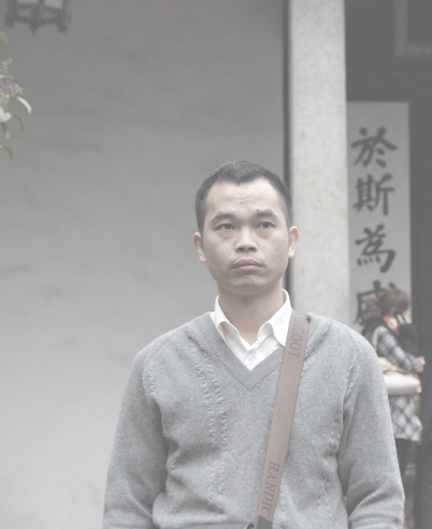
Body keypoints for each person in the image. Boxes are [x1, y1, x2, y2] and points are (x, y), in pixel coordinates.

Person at [102, 160, 404, 529]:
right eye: (226, 226)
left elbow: (378, 499)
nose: (245, 241)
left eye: (264, 225)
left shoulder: (348, 357)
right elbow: (127, 508)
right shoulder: (157, 365)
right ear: (200, 246)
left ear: (291, 241)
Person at [361, 286, 425, 478]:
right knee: (394, 473)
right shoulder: (382, 331)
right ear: (394, 311)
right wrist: (408, 332)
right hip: (394, 416)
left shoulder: (382, 330)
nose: (407, 316)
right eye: (405, 311)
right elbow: (407, 362)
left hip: (395, 415)